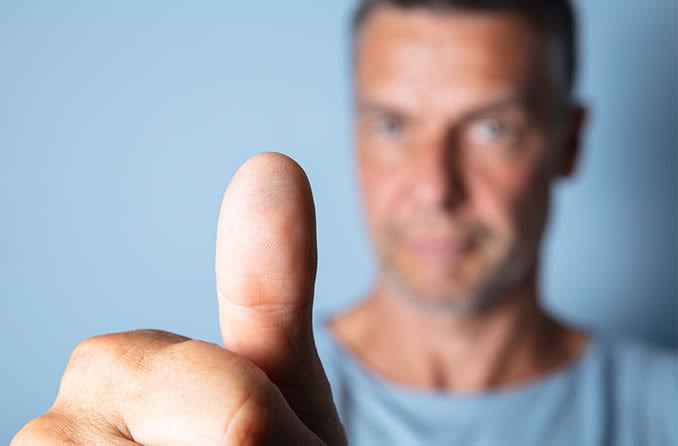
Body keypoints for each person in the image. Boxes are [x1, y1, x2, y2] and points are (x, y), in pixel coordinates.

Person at [12, 0, 677, 445]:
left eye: (491, 128)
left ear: (570, 142)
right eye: (393, 125)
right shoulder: (235, 410)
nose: (434, 186)